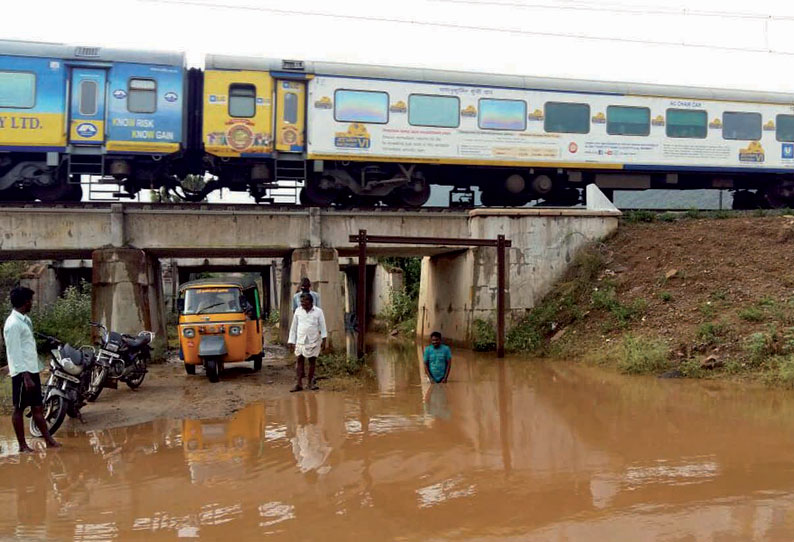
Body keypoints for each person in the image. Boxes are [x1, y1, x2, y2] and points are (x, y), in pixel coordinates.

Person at [3, 287, 61, 452]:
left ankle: (48, 440)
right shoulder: (13, 324)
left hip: (32, 369)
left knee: (37, 406)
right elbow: (14, 352)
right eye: (30, 300)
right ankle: (22, 445)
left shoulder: (24, 320)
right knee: (19, 408)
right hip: (23, 374)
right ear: (24, 302)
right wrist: (25, 376)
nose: (32, 303)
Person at [288, 292, 327, 392]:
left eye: (304, 301)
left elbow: (322, 326)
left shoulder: (318, 312)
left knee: (312, 361)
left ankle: (310, 383)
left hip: (313, 340)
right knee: (299, 360)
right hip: (300, 340)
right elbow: (293, 327)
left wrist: (324, 339)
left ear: (310, 302)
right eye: (301, 302)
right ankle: (299, 383)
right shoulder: (298, 311)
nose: (302, 304)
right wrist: (291, 341)